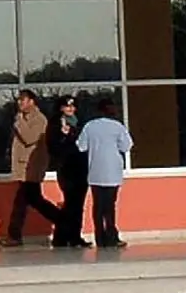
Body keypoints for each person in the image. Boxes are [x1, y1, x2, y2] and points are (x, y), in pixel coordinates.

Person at [0, 89, 60, 247]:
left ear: (32, 101)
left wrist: (19, 121)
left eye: (23, 100)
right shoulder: (22, 118)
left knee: (23, 202)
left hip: (32, 168)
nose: (19, 103)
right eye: (19, 100)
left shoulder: (39, 119)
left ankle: (14, 235)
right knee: (34, 200)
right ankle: (64, 221)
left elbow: (29, 138)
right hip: (24, 168)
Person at [77, 97, 135, 249]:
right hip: (112, 172)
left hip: (95, 171)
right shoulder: (117, 127)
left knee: (98, 206)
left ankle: (100, 237)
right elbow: (126, 146)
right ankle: (111, 237)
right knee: (109, 206)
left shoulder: (90, 126)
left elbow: (81, 146)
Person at [49, 95, 91, 248]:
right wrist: (63, 135)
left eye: (72, 106)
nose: (70, 109)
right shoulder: (55, 124)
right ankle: (61, 237)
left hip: (81, 167)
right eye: (67, 106)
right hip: (66, 167)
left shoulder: (80, 123)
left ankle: (75, 236)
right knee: (70, 203)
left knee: (78, 204)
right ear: (61, 108)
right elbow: (52, 147)